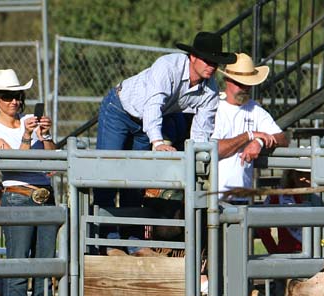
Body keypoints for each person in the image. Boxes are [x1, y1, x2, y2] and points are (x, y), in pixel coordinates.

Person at [95, 31, 235, 208]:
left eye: (215, 62)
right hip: (119, 110)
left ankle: (130, 234)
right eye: (207, 60)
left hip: (146, 124)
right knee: (107, 170)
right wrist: (158, 142)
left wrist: (197, 155)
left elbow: (202, 130)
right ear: (193, 57)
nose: (212, 66)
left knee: (136, 181)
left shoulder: (211, 90)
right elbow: (153, 105)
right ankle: (101, 230)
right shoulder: (168, 66)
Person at [0, 69, 57, 296]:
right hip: (18, 195)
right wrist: (26, 136)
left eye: (18, 96)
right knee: (18, 268)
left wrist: (45, 135)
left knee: (45, 268)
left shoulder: (30, 120)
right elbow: (13, 164)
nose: (15, 101)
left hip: (44, 196)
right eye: (8, 97)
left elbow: (52, 158)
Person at [212, 53, 288, 203]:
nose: (245, 88)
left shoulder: (255, 109)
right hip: (212, 197)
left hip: (241, 198)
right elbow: (215, 149)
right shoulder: (214, 108)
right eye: (240, 83)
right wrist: (250, 136)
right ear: (227, 81)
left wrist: (259, 142)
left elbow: (282, 139)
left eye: (248, 84)